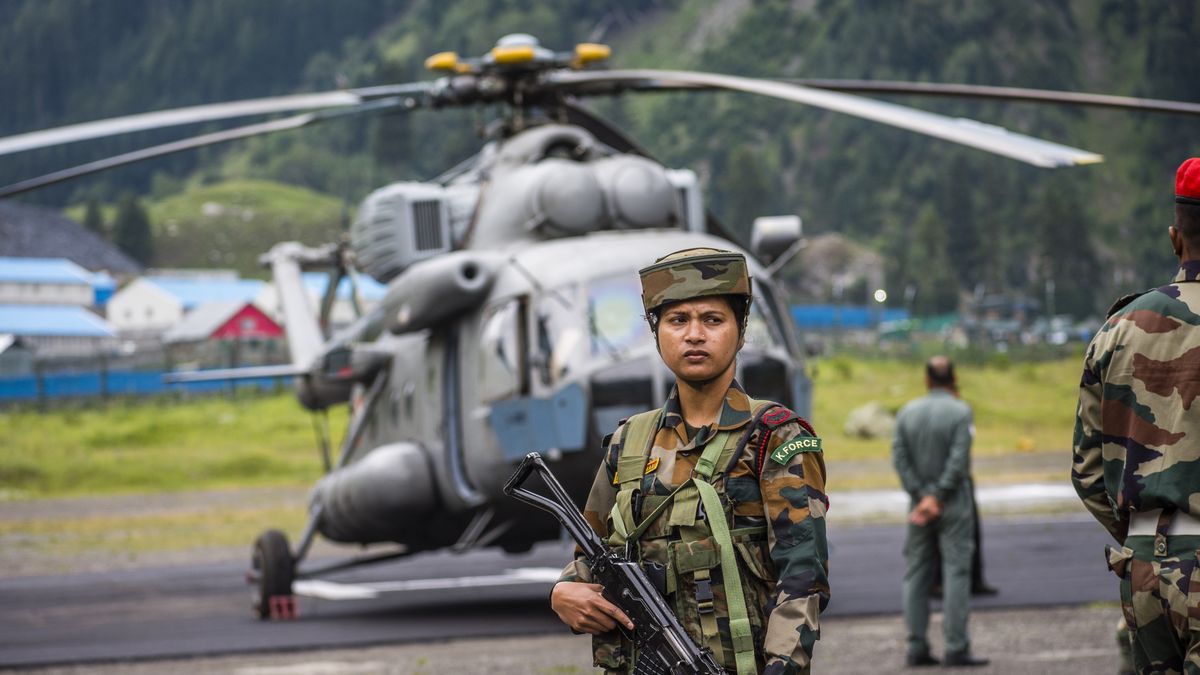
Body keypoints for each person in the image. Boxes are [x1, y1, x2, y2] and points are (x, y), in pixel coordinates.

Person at [550, 247, 830, 674]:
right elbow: (594, 553)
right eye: (678, 320)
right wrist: (566, 590)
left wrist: (782, 667)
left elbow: (803, 579)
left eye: (712, 320)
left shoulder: (775, 436)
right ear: (656, 331)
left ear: (740, 331)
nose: (694, 334)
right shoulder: (629, 442)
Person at [1073, 157, 1200, 675]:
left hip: (1144, 564)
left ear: (1175, 238)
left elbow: (1087, 473)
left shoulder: (1117, 329)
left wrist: (1140, 534)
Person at [892, 356, 988, 668]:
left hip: (919, 506)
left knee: (916, 574)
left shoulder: (907, 412)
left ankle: (916, 647)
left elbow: (900, 457)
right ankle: (956, 646)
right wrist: (939, 495)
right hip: (953, 504)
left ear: (928, 380)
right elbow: (959, 460)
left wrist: (921, 496)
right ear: (953, 378)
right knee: (956, 572)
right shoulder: (961, 411)